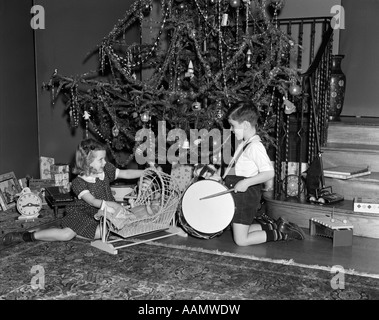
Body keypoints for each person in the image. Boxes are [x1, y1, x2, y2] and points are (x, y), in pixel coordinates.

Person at [2, 138, 145, 245]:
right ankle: (28, 236)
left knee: (116, 227)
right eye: (100, 160)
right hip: (82, 212)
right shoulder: (79, 182)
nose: (104, 162)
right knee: (66, 235)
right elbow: (93, 201)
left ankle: (84, 233)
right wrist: (113, 206)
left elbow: (125, 174)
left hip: (103, 211)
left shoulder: (106, 169)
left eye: (104, 159)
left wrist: (145, 172)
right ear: (87, 162)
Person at [209, 101, 305, 246]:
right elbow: (238, 167)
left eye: (234, 126)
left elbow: (268, 173)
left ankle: (283, 233)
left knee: (241, 241)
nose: (232, 130)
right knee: (238, 228)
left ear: (246, 125)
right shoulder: (245, 143)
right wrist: (219, 175)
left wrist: (246, 182)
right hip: (239, 194)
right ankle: (274, 225)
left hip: (245, 196)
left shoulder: (255, 146)